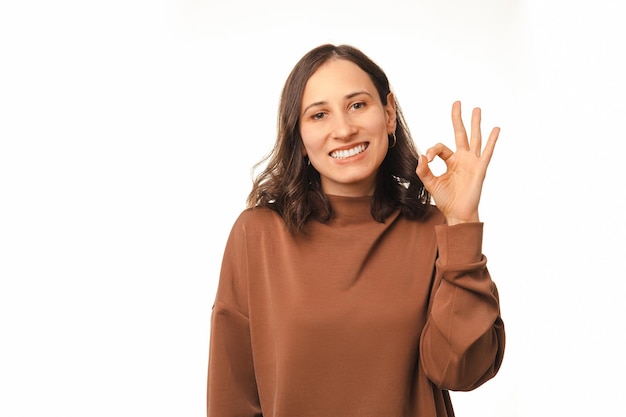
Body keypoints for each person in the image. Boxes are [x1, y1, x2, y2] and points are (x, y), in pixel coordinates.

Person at [206, 43, 505, 417]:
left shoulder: (435, 230)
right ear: (298, 137)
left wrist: (462, 222)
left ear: (389, 113)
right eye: (319, 115)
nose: (344, 129)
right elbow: (231, 395)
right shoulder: (259, 235)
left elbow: (461, 371)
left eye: (357, 105)